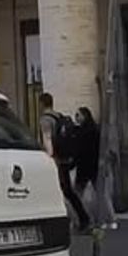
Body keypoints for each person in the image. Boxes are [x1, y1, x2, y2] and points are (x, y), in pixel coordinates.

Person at [39, 91, 90, 232]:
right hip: (65, 158)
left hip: (56, 160)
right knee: (66, 191)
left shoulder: (45, 119)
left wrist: (49, 159)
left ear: (41, 103)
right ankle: (79, 218)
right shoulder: (58, 116)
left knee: (63, 191)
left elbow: (47, 139)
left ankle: (76, 219)